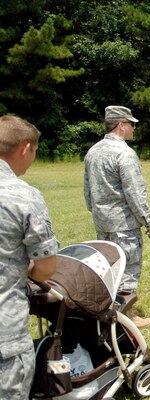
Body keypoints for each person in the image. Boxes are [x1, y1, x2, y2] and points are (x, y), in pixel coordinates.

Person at [0, 115, 58, 399]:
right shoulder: (23, 196)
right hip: (5, 336)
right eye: (34, 153)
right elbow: (46, 268)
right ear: (25, 148)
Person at [83, 106, 150, 328]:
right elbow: (134, 192)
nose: (134, 128)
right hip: (123, 224)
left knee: (109, 269)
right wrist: (148, 221)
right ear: (121, 125)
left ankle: (108, 310)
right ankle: (126, 318)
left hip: (102, 222)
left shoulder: (93, 151)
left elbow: (87, 190)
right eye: (132, 124)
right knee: (128, 269)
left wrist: (96, 211)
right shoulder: (124, 153)